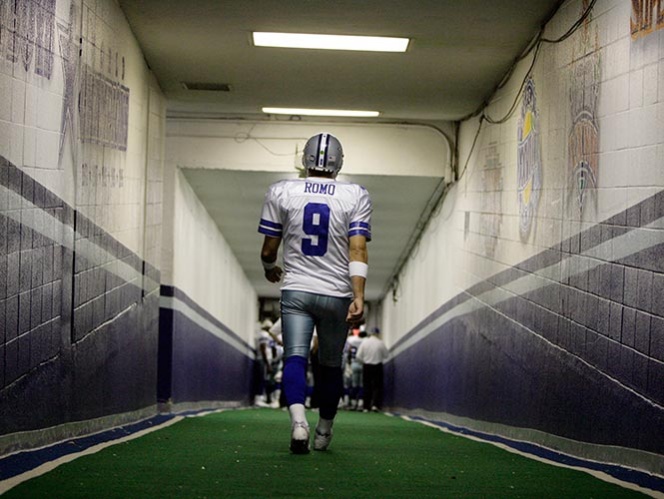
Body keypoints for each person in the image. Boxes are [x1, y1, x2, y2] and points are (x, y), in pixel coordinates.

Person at [258, 132, 372, 454]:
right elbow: (357, 249)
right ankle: (324, 429)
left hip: (296, 289)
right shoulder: (355, 195)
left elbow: (268, 250)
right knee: (330, 365)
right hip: (336, 293)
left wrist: (269, 268)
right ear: (340, 163)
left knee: (295, 357)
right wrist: (358, 295)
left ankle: (298, 424)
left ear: (304, 160)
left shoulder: (281, 191)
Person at [356, 327, 389, 412]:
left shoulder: (365, 343)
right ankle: (375, 405)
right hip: (377, 366)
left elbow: (358, 356)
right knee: (377, 386)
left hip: (367, 366)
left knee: (367, 386)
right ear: (378, 334)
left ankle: (366, 407)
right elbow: (386, 355)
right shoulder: (380, 343)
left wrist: (364, 361)